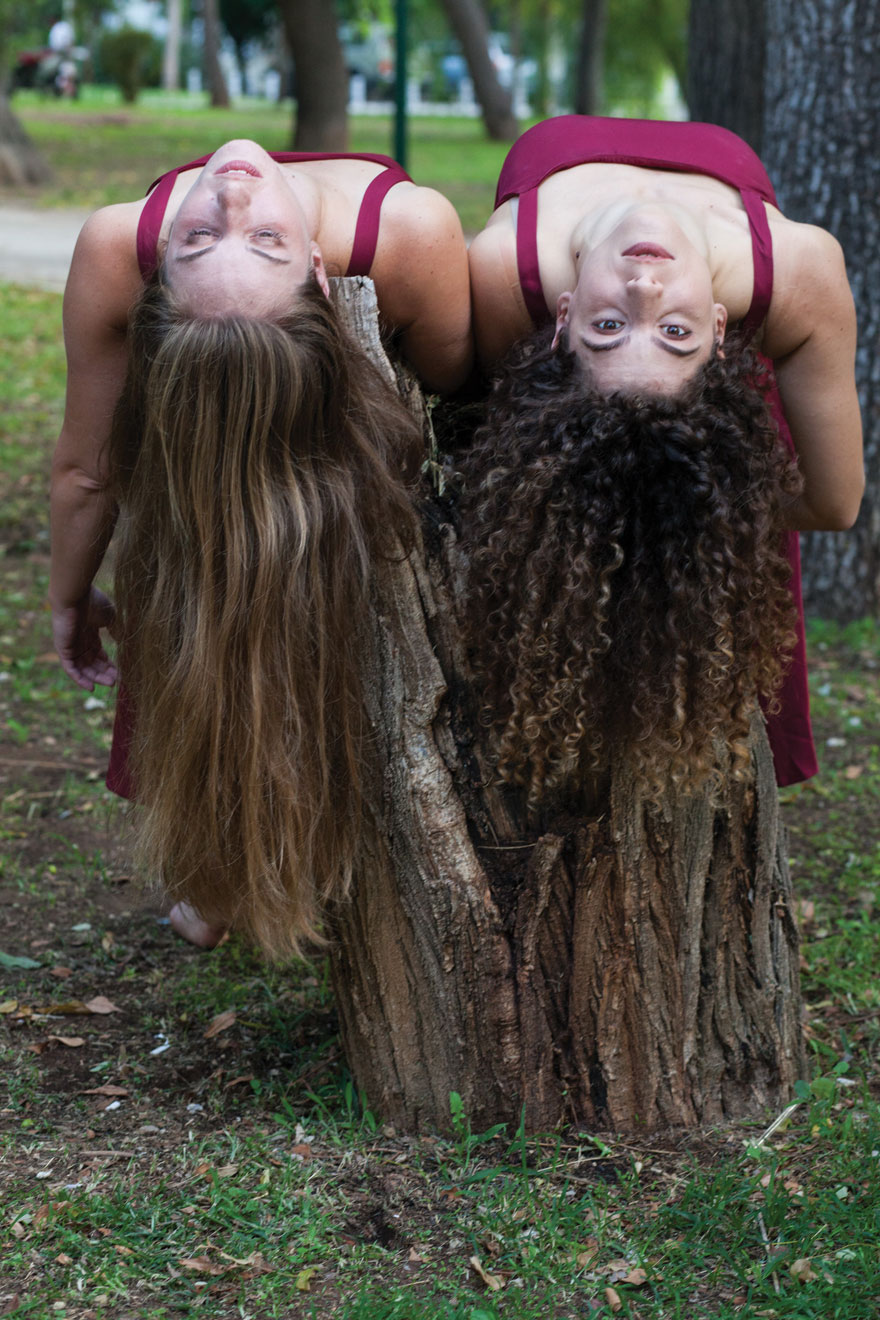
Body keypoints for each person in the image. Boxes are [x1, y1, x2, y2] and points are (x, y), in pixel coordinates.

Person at [49, 139, 472, 953]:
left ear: (320, 272)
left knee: (227, 578)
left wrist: (70, 596)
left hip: (327, 452)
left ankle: (216, 878)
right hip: (214, 452)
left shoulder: (118, 242)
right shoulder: (414, 233)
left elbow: (88, 472)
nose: (234, 195)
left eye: (260, 239)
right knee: (218, 563)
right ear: (158, 287)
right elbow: (453, 370)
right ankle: (223, 869)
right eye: (200, 239)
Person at [461, 115, 863, 814]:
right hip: (721, 186)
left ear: (563, 320)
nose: (645, 289)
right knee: (679, 451)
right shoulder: (798, 270)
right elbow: (833, 501)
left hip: (558, 150)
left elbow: (511, 453)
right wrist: (715, 504)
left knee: (633, 452)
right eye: (675, 333)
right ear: (718, 328)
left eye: (607, 328)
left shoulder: (506, 268)